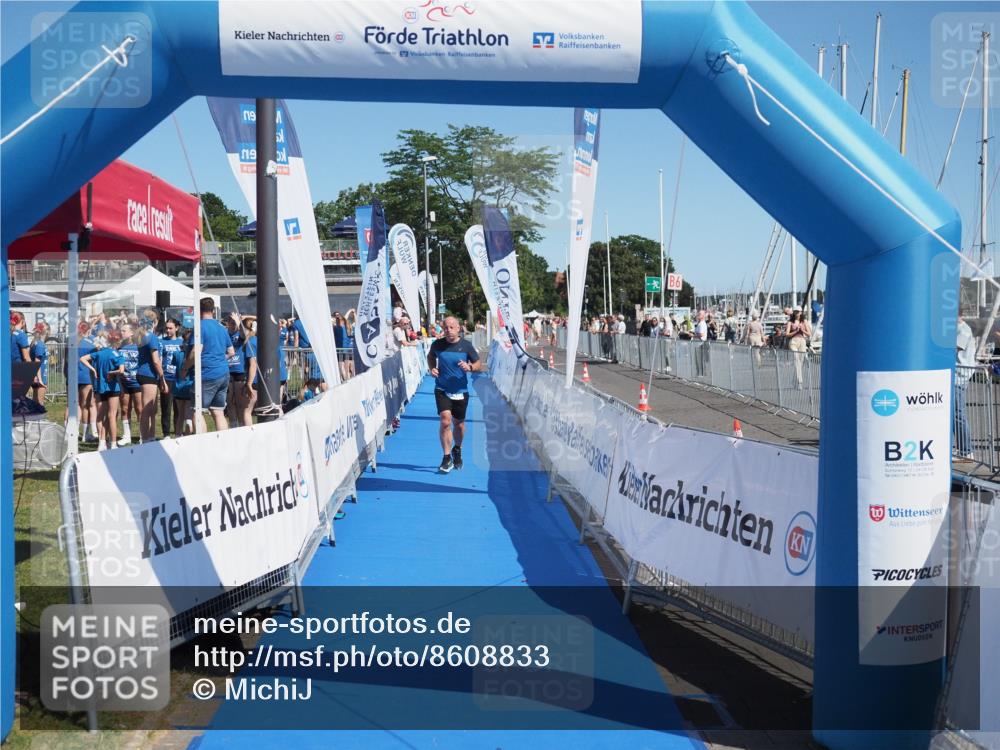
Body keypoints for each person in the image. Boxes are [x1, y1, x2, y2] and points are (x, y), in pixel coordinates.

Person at [427, 316, 482, 473]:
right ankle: (446, 458)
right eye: (446, 328)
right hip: (442, 389)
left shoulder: (466, 346)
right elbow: (430, 357)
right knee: (445, 421)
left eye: (452, 327)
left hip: (461, 391)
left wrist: (470, 367)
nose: (448, 330)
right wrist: (432, 368)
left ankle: (457, 449)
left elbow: (479, 364)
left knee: (459, 424)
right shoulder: (437, 344)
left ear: (459, 329)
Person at [195, 297, 235, 432]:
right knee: (218, 411)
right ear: (213, 310)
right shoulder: (221, 327)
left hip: (207, 373)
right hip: (223, 372)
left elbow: (196, 351)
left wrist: (185, 367)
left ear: (199, 310)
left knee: (197, 411)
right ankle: (223, 443)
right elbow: (231, 352)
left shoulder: (200, 326)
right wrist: (218, 358)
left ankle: (202, 443)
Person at [81, 332, 125, 451]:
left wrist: (93, 369)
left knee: (102, 415)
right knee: (112, 415)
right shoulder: (116, 354)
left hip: (101, 387)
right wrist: (112, 373)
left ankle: (102, 442)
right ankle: (113, 443)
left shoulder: (98, 354)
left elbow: (82, 359)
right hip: (112, 388)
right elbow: (121, 370)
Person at [135, 310, 167, 442]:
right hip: (148, 374)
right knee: (147, 409)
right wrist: (162, 377)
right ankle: (145, 438)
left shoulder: (143, 336)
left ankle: (151, 436)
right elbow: (155, 360)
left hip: (147, 374)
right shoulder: (151, 337)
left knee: (152, 409)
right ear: (155, 322)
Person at [954, 314, 977, 462]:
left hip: (959, 376)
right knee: (953, 414)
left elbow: (954, 349)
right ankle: (960, 449)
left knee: (957, 413)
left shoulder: (963, 331)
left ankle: (966, 451)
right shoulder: (956, 329)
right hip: (955, 375)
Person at [159, 318, 183, 438]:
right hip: (166, 378)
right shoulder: (162, 342)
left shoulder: (182, 342)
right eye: (166, 328)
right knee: (166, 407)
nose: (168, 330)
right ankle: (166, 433)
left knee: (179, 407)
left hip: (179, 378)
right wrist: (161, 378)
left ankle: (178, 431)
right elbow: (159, 360)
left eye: (170, 328)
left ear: (177, 328)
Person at [117, 325, 140, 445]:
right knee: (125, 409)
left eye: (124, 330)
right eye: (121, 330)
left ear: (131, 333)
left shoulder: (138, 346)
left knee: (139, 409)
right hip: (124, 382)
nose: (121, 333)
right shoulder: (120, 347)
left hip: (137, 382)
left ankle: (142, 435)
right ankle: (127, 435)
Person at [785, 309, 811, 388]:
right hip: (793, 341)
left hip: (802, 341)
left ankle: (794, 380)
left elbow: (809, 334)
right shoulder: (790, 322)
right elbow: (787, 334)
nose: (797, 314)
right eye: (796, 312)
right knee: (796, 360)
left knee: (801, 362)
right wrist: (795, 331)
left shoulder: (804, 321)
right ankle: (800, 382)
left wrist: (802, 330)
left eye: (799, 312)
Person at [29, 323, 49, 405]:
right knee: (40, 403)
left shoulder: (36, 343)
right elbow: (37, 362)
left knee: (36, 403)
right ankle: (38, 418)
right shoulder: (40, 345)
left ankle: (35, 417)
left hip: (38, 376)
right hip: (40, 377)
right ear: (46, 332)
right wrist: (40, 380)